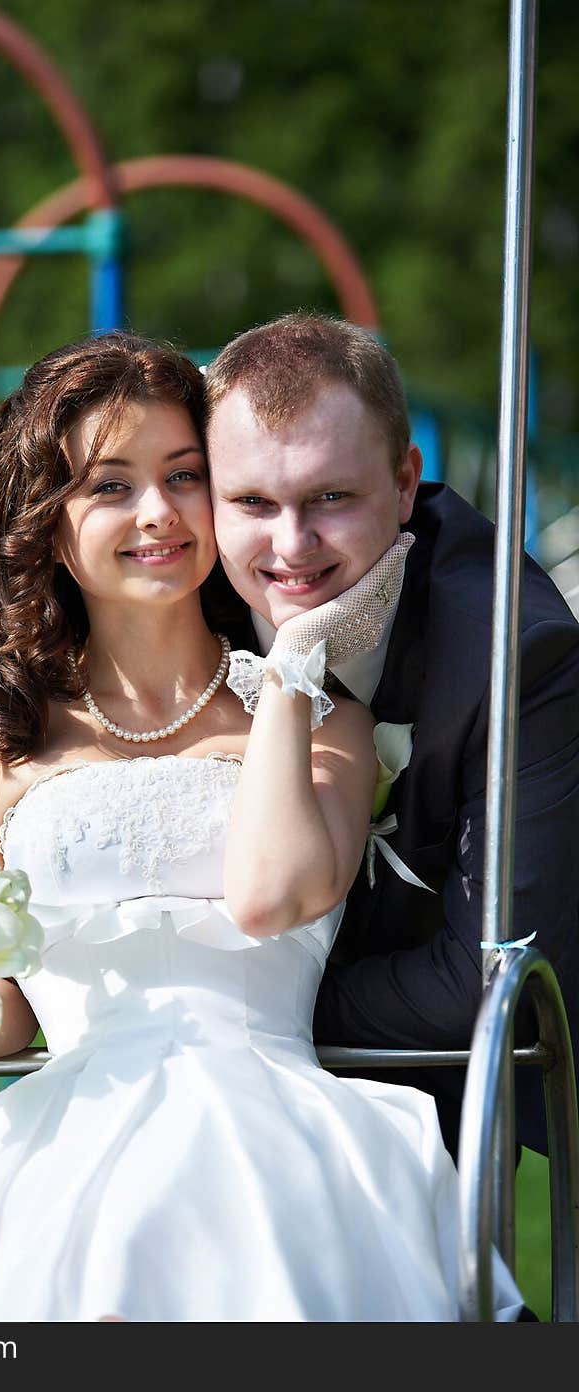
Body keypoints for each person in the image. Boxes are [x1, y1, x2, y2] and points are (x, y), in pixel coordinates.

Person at [0, 332, 522, 1322]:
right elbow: (7, 1012)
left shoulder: (324, 720)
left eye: (183, 475)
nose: (156, 514)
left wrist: (292, 665)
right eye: (109, 485)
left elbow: (276, 895)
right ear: (47, 526)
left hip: (268, 1116)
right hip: (71, 1124)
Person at [205, 312, 579, 1162]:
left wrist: (236, 1003)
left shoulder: (513, 652)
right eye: (253, 502)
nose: (290, 546)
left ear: (407, 484)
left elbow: (491, 976)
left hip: (417, 1106)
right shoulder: (167, 608)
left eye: (331, 497)